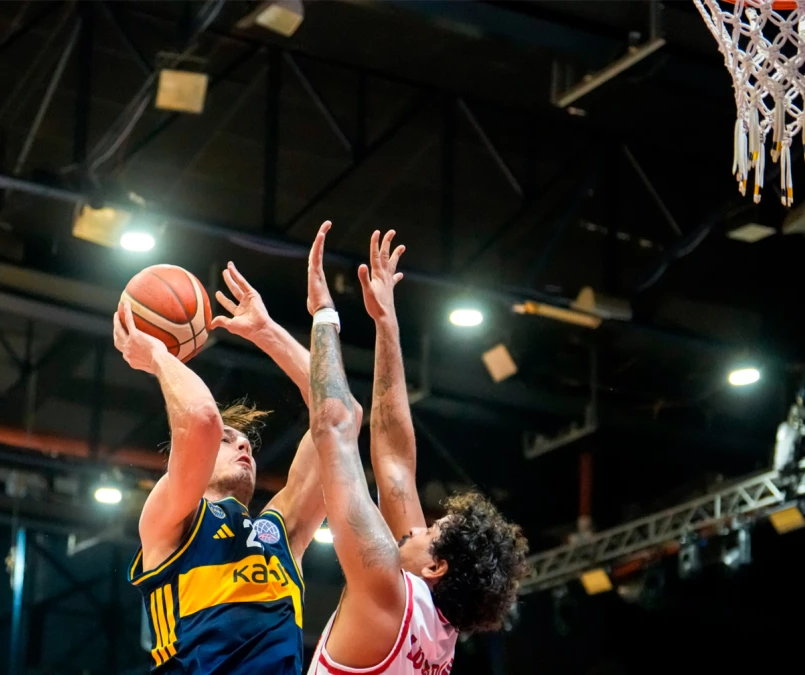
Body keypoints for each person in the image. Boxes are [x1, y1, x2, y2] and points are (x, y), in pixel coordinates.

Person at [304, 222, 529, 674]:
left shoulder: (388, 593)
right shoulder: (435, 627)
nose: (417, 528)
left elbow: (333, 430)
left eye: (431, 532)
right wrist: (386, 324)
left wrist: (324, 315)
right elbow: (394, 465)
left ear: (436, 567)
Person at [114, 262, 349, 674]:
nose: (242, 443)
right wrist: (155, 355)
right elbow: (202, 420)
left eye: (244, 442)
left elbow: (339, 416)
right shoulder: (173, 518)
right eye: (228, 439)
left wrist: (268, 333)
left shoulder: (280, 534)